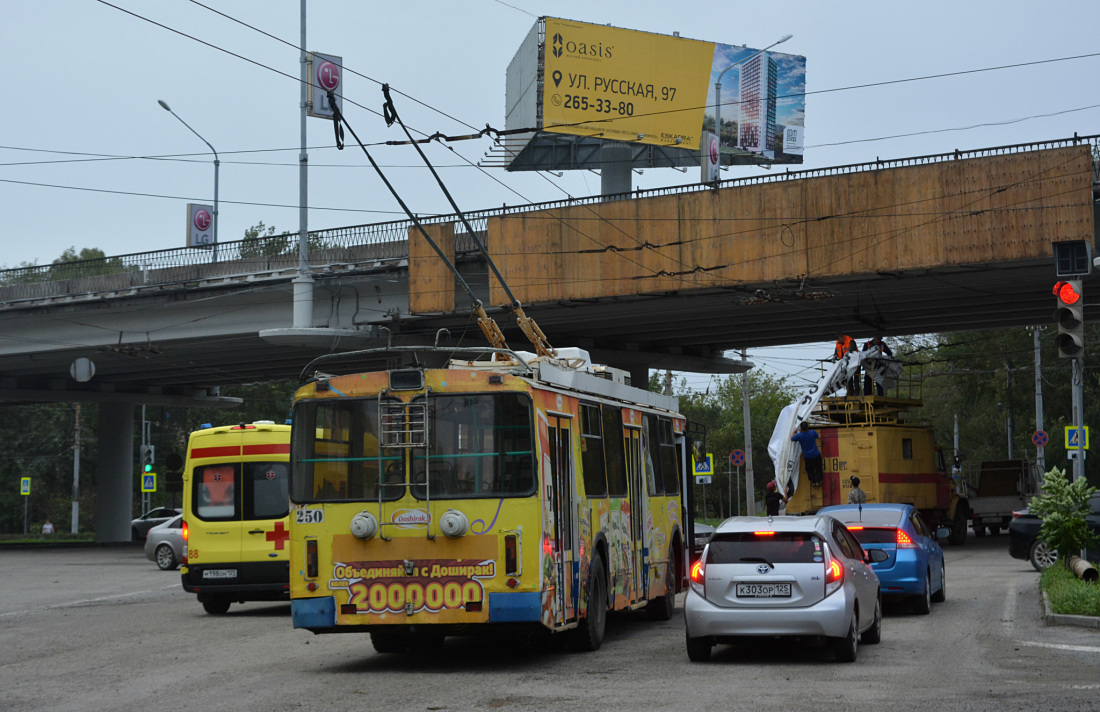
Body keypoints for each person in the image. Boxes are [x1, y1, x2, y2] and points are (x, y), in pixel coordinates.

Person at [791, 421, 824, 485]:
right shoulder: (812, 432)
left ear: (801, 428)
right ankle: (818, 481)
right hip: (816, 454)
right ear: (807, 427)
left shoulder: (799, 436)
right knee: (818, 468)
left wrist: (794, 431)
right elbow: (819, 436)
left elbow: (791, 438)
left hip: (807, 456)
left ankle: (813, 481)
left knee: (809, 470)